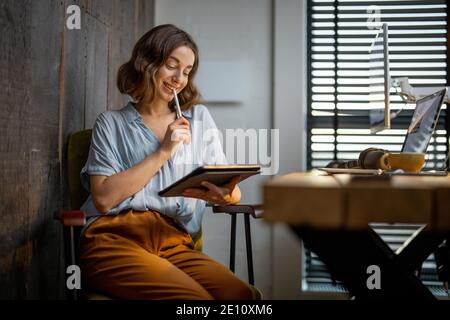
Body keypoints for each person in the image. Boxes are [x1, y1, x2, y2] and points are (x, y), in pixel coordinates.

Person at [79, 24, 255, 300]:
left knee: (242, 296)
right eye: (172, 65)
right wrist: (163, 151)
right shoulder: (111, 123)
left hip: (174, 242)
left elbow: (227, 183)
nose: (179, 78)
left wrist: (227, 195)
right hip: (113, 239)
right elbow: (102, 198)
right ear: (147, 63)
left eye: (186, 71)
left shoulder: (198, 119)